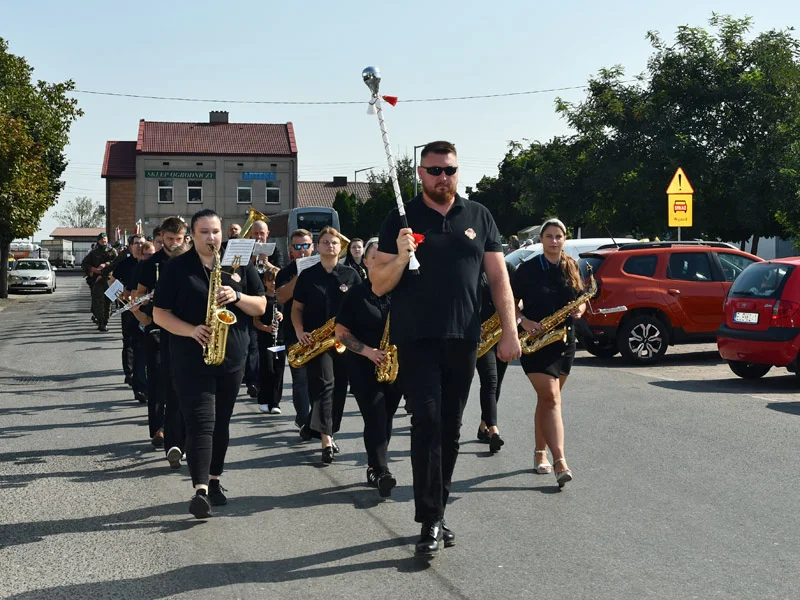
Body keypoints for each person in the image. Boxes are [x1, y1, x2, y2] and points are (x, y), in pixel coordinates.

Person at [371, 140, 521, 557]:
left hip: (464, 336)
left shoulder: (478, 216)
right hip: (415, 337)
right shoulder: (399, 219)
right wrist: (401, 256)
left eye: (450, 170)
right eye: (435, 170)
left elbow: (498, 279)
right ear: (420, 173)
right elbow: (379, 283)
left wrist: (509, 331)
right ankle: (430, 519)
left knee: (451, 428)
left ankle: (437, 512)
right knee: (427, 422)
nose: (443, 178)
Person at [154, 209, 266, 519]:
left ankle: (215, 480)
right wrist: (191, 330)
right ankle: (200, 489)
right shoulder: (177, 268)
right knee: (201, 422)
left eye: (215, 231)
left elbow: (261, 305)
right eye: (204, 232)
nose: (211, 237)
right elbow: (159, 314)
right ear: (192, 235)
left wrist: (237, 295)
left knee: (221, 422)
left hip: (231, 358)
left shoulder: (238, 264)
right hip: (191, 357)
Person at [511, 217, 585, 489]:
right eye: (549, 236)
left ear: (564, 240)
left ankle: (539, 452)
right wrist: (524, 322)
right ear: (541, 239)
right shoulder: (527, 269)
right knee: (552, 399)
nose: (554, 241)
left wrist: (580, 310)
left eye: (559, 236)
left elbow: (581, 299)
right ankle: (560, 462)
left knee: (547, 401)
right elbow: (509, 303)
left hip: (564, 341)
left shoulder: (571, 266)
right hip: (535, 342)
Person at [335, 239, 402, 497]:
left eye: (388, 259)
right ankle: (382, 470)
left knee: (386, 417)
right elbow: (341, 333)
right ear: (366, 262)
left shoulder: (399, 291)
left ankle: (374, 466)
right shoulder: (356, 294)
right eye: (377, 258)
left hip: (394, 366)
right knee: (375, 415)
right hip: (363, 365)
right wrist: (368, 352)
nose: (384, 263)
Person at [291, 226, 360, 464]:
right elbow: (296, 309)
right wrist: (300, 332)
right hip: (317, 342)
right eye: (326, 242)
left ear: (340, 248)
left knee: (341, 388)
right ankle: (326, 440)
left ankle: (319, 426)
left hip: (344, 341)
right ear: (318, 247)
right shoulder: (308, 276)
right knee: (325, 385)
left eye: (334, 243)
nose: (330, 246)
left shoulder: (351, 275)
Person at [136, 217, 189, 455]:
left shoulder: (191, 260)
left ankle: (180, 433)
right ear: (161, 237)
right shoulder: (151, 264)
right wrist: (146, 301)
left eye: (179, 239)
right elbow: (138, 294)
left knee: (182, 384)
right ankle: (157, 429)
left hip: (186, 329)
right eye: (169, 239)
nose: (174, 244)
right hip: (157, 328)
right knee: (157, 380)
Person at [275, 229, 315, 431]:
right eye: (297, 247)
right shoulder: (285, 273)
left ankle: (319, 420)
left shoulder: (322, 269)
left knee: (321, 380)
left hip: (319, 332)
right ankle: (303, 420)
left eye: (305, 246)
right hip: (294, 332)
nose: (302, 251)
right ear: (291, 249)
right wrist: (301, 274)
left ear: (312, 247)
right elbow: (281, 297)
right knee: (300, 379)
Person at [475, 262, 516, 454]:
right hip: (479, 336)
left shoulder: (508, 267)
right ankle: (493, 430)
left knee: (497, 382)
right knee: (490, 380)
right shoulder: (472, 266)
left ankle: (484, 426)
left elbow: (517, 298)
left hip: (502, 334)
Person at [253, 265, 285, 414]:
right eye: (270, 280)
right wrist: (266, 328)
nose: (273, 283)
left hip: (280, 339)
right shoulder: (262, 298)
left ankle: (275, 403)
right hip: (265, 339)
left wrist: (282, 316)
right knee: (267, 370)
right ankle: (264, 399)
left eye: (276, 280)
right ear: (265, 282)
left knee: (279, 371)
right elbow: (256, 321)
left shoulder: (283, 298)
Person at [81, 232, 117, 332]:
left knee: (108, 302)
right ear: (98, 241)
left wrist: (106, 264)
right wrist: (92, 269)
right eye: (101, 239)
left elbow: (116, 262)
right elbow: (84, 263)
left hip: (109, 280)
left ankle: (105, 321)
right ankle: (100, 321)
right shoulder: (94, 252)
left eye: (105, 238)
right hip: (97, 281)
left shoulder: (112, 251)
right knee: (98, 302)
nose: (103, 240)